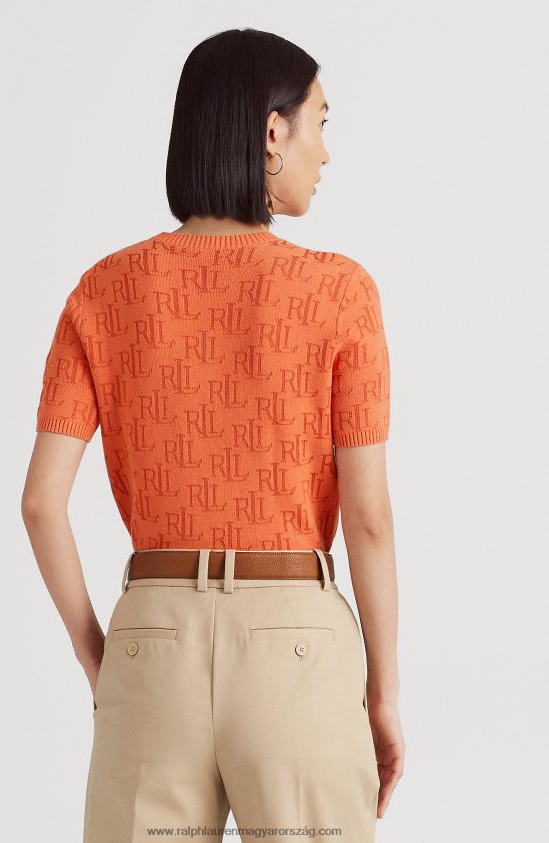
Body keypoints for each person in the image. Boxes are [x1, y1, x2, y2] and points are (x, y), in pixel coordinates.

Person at [21, 27, 404, 843]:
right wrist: (383, 691)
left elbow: (41, 503)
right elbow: (368, 518)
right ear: (272, 132)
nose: (326, 152)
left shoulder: (102, 291)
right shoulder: (339, 293)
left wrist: (102, 656)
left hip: (150, 640)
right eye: (320, 123)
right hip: (297, 646)